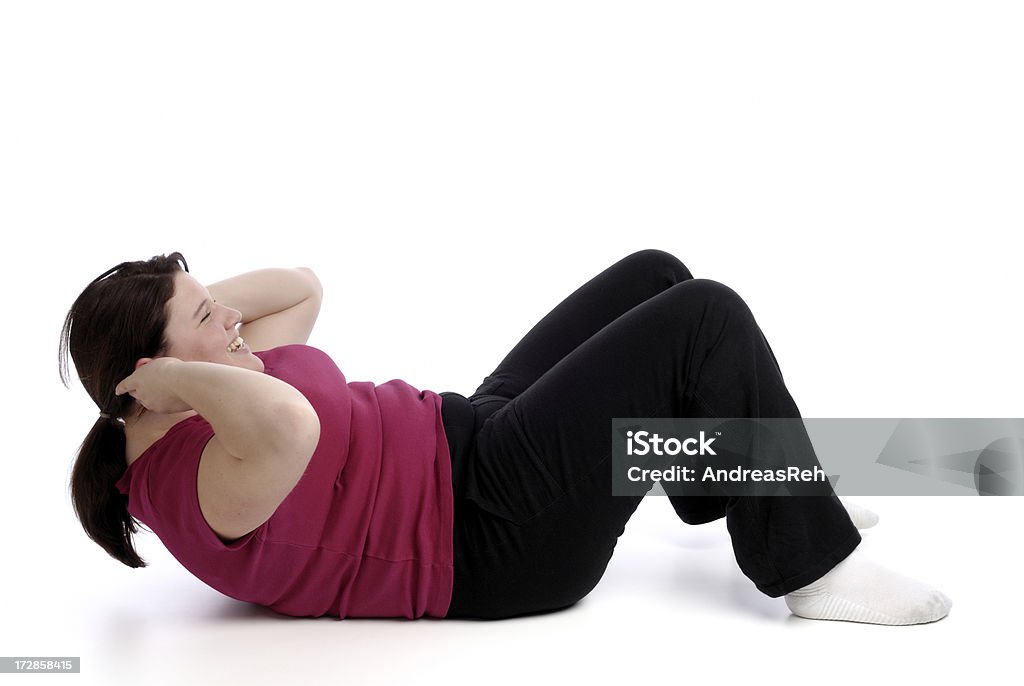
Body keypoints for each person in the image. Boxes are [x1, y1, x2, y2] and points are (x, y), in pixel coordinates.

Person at [59, 249, 952, 625]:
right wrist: (176, 375)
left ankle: (747, 487)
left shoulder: (215, 394)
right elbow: (294, 424)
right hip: (491, 535)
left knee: (656, 277)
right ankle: (811, 568)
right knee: (703, 317)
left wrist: (194, 315)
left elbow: (299, 289)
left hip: (468, 440)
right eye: (208, 319)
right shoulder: (197, 479)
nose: (234, 323)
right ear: (153, 379)